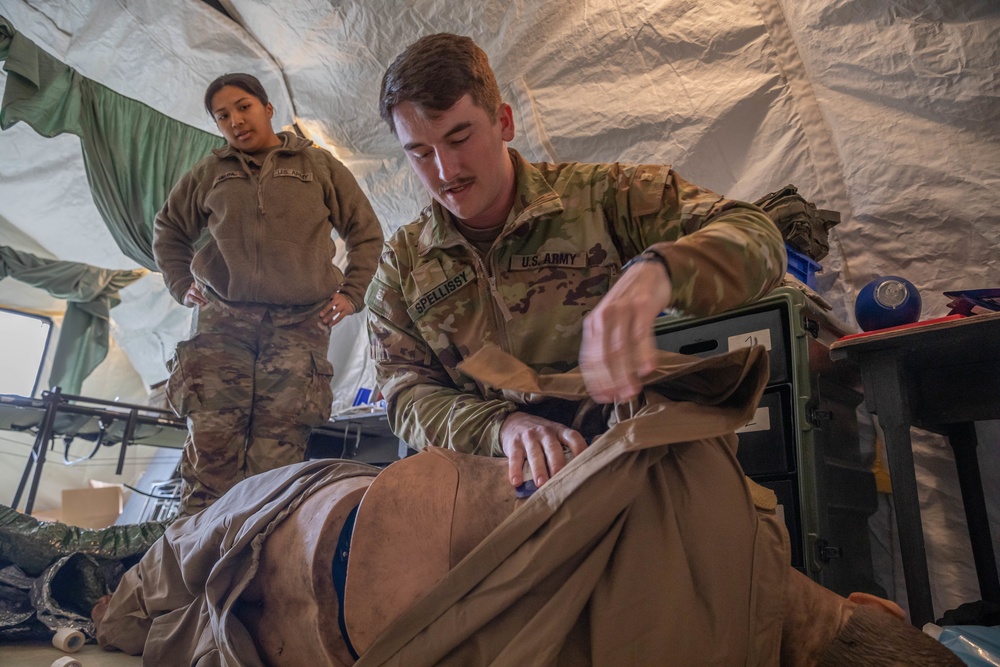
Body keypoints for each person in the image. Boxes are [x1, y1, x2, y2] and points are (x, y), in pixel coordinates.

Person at [365, 33, 786, 490]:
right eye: (421, 153)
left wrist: (661, 272)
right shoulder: (403, 264)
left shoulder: (601, 198)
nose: (446, 172)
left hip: (621, 467)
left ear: (503, 122)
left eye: (459, 138)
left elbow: (758, 234)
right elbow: (406, 392)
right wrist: (501, 428)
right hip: (491, 480)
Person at [153, 72, 384, 515]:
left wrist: (353, 293)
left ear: (267, 108)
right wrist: (181, 285)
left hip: (300, 326)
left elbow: (366, 234)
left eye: (244, 107)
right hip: (223, 326)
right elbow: (169, 231)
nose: (236, 121)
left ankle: (256, 569)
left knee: (276, 457)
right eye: (223, 116)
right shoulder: (210, 172)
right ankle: (191, 567)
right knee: (211, 449)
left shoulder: (318, 166)